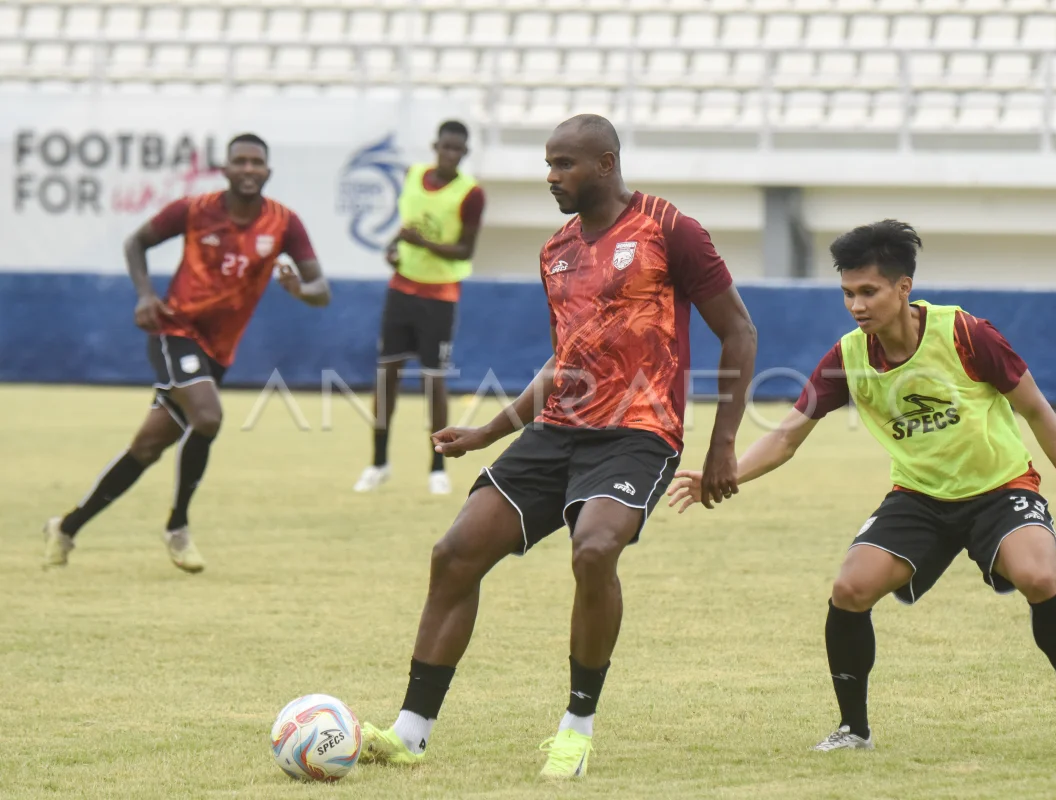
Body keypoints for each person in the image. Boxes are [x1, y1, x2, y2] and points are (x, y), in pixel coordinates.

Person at [356, 114, 758, 779]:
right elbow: (564, 362)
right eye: (548, 164)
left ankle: (576, 728)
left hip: (640, 432)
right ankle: (410, 732)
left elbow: (739, 330)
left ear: (606, 164)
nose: (551, 177)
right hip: (558, 431)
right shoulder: (556, 251)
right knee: (454, 554)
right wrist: (488, 432)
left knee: (594, 549)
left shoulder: (668, 227)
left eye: (563, 164)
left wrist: (723, 445)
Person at [670, 220, 1056, 761]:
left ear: (903, 287)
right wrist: (725, 474)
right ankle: (853, 729)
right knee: (850, 588)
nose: (856, 305)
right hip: (919, 498)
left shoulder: (965, 334)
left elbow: (1038, 412)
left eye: (869, 291)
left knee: (1039, 575)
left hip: (1000, 488)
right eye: (848, 293)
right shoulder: (848, 357)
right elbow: (787, 436)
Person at [43, 133, 330, 573]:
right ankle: (177, 525)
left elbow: (321, 290)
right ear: (225, 168)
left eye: (256, 162)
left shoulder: (283, 223)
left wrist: (299, 289)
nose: (248, 169)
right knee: (208, 417)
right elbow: (136, 242)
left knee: (147, 446)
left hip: (219, 351)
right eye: (240, 161)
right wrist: (145, 295)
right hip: (174, 329)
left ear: (268, 171)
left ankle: (65, 527)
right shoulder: (195, 210)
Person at [353, 120, 486, 496]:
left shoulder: (471, 194)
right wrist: (394, 248)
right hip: (401, 290)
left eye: (457, 149)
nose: (450, 154)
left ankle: (437, 467)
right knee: (387, 376)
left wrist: (422, 243)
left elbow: (465, 250)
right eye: (445, 147)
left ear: (465, 152)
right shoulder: (412, 177)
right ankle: (378, 462)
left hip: (440, 296)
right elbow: (405, 229)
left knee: (434, 381)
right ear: (435, 146)